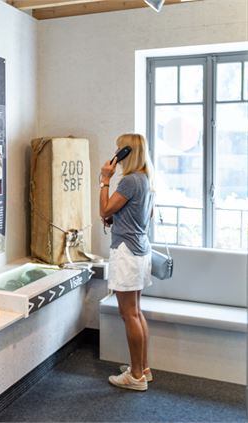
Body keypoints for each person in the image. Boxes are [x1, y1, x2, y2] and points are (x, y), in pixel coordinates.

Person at [99, 133, 155, 391]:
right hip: (141, 250)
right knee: (136, 311)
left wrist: (105, 181)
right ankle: (142, 368)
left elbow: (105, 210)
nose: (115, 154)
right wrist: (117, 220)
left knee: (128, 313)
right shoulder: (146, 179)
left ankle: (135, 377)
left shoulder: (130, 181)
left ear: (125, 153)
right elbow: (142, 216)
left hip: (126, 252)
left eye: (118, 150)